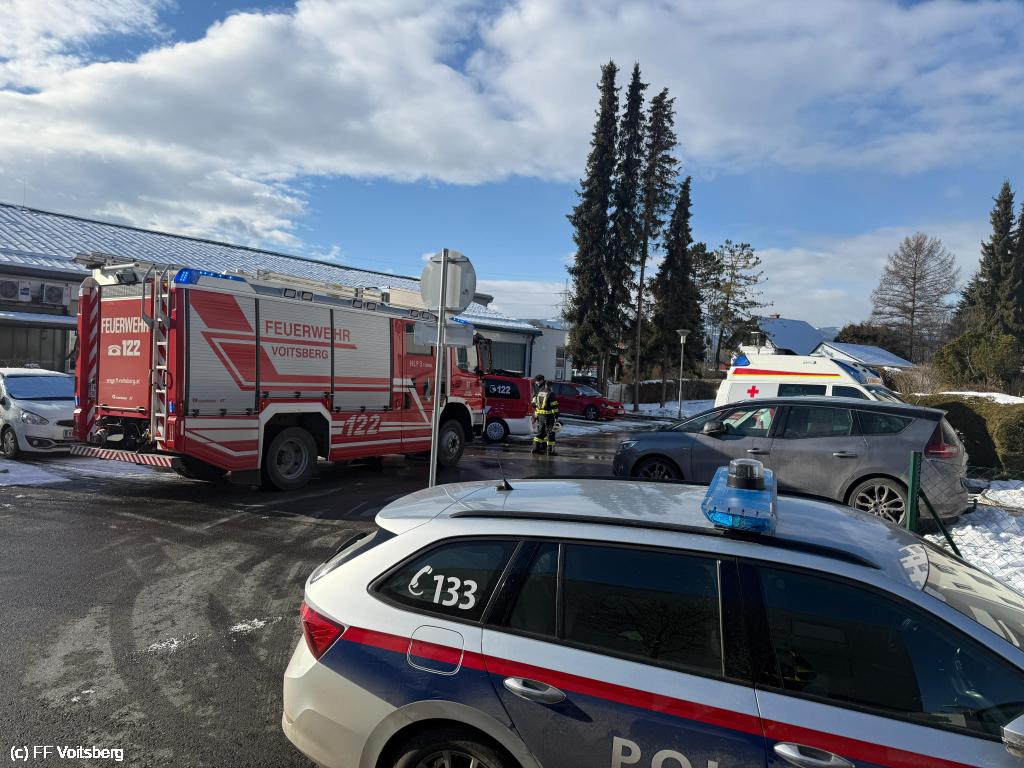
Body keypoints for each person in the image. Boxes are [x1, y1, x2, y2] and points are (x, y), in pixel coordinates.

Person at [531, 375, 559, 456]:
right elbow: (554, 407)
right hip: (548, 416)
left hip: (540, 416)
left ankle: (535, 449)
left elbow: (534, 403)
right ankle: (551, 451)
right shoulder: (551, 393)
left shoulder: (540, 392)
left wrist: (536, 414)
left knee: (540, 433)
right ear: (550, 386)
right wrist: (556, 416)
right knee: (551, 433)